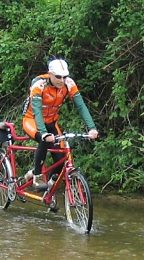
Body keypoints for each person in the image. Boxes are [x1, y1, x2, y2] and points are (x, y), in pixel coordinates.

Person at [21, 59, 99, 190]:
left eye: (65, 76)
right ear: (50, 74)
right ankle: (37, 176)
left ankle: (50, 187)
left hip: (51, 122)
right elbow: (37, 111)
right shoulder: (39, 84)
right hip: (32, 120)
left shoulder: (68, 84)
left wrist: (92, 128)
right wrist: (43, 132)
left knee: (61, 158)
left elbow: (81, 106)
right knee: (44, 140)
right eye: (58, 76)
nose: (62, 80)